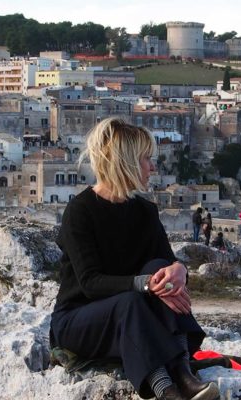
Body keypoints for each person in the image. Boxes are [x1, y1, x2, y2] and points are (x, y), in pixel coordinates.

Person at [50, 118, 219, 400]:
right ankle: (165, 389)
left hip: (131, 314)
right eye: (146, 159)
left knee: (161, 270)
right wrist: (145, 285)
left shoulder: (144, 211)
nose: (153, 167)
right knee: (132, 299)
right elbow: (90, 283)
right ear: (125, 162)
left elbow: (167, 261)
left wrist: (179, 272)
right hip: (79, 320)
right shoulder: (80, 211)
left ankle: (182, 372)